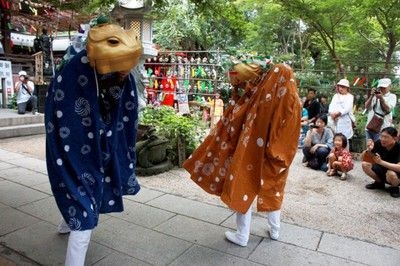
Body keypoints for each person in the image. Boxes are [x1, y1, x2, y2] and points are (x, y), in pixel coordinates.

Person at [45, 22, 143, 266]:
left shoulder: (112, 71)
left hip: (101, 144)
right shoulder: (73, 71)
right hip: (74, 147)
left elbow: (116, 108)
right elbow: (65, 115)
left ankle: (70, 219)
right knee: (84, 209)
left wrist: (120, 81)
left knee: (80, 196)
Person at [183, 62, 301, 246]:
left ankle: (242, 235)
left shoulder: (263, 95)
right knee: (273, 188)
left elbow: (240, 109)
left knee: (243, 185)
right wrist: (278, 153)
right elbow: (292, 133)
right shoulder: (294, 102)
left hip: (252, 150)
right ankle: (275, 230)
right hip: (277, 154)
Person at [362, 127, 400, 198]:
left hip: (395, 174)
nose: (382, 139)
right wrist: (369, 149)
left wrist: (381, 162)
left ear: (395, 138)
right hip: (381, 169)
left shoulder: (398, 147)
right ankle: (379, 183)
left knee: (391, 173)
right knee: (365, 164)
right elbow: (365, 158)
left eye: (386, 137)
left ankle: (394, 187)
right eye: (381, 136)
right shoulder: (379, 143)